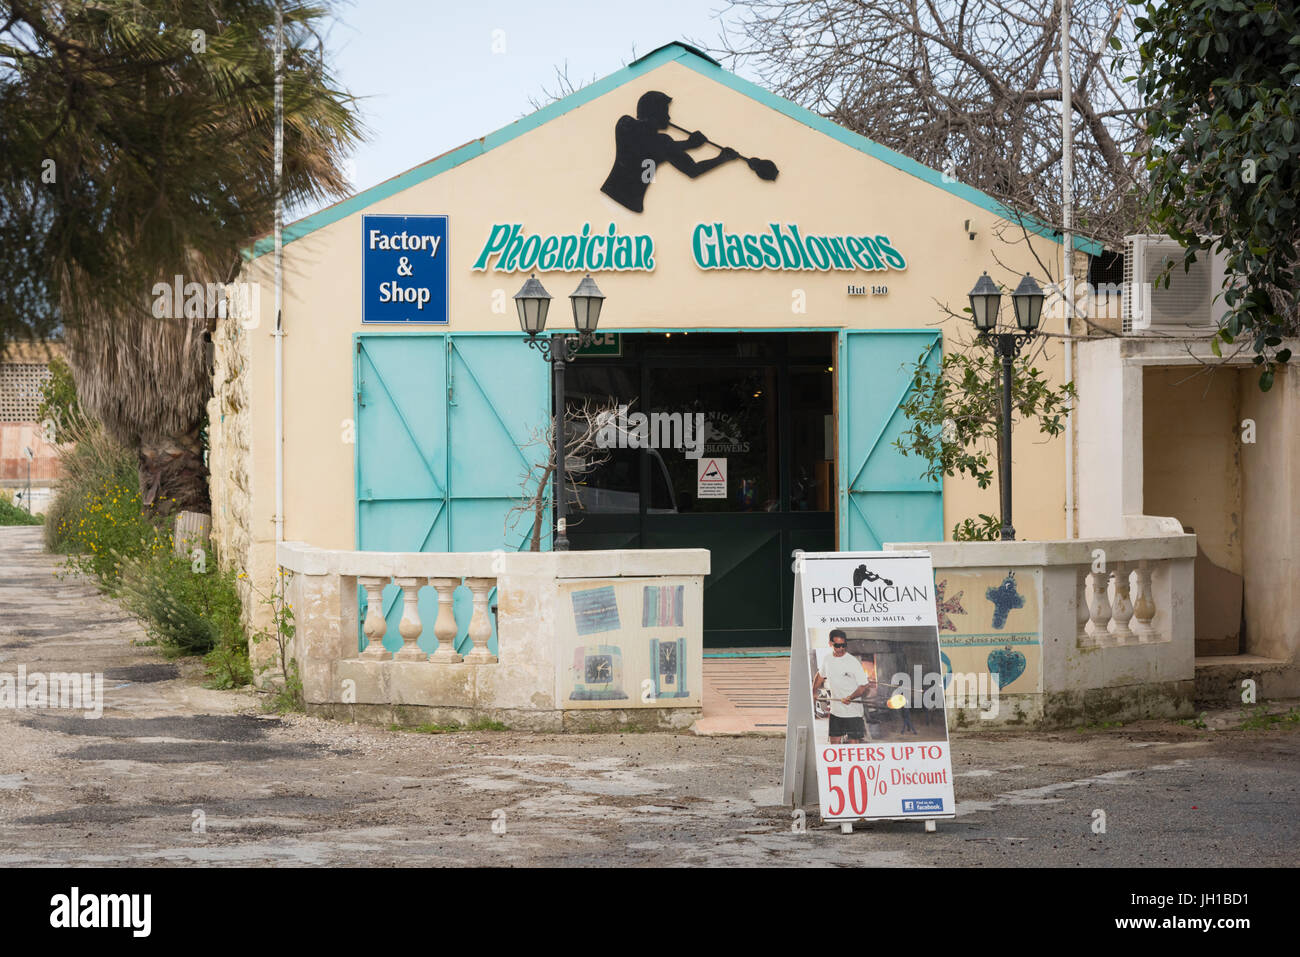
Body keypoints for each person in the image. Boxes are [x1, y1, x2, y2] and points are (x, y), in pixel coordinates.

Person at [600, 90, 739, 213]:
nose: (668, 118)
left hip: (612, 190)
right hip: (630, 201)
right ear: (656, 112)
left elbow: (652, 146)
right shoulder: (661, 142)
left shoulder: (625, 124)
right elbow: (693, 170)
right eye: (665, 112)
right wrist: (722, 158)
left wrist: (688, 144)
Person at [811, 629, 872, 743]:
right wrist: (814, 691)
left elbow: (863, 686)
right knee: (834, 744)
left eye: (843, 645)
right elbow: (820, 675)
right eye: (837, 645)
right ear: (830, 644)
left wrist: (851, 697)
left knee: (853, 745)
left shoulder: (852, 662)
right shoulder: (827, 659)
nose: (841, 648)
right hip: (836, 711)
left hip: (853, 712)